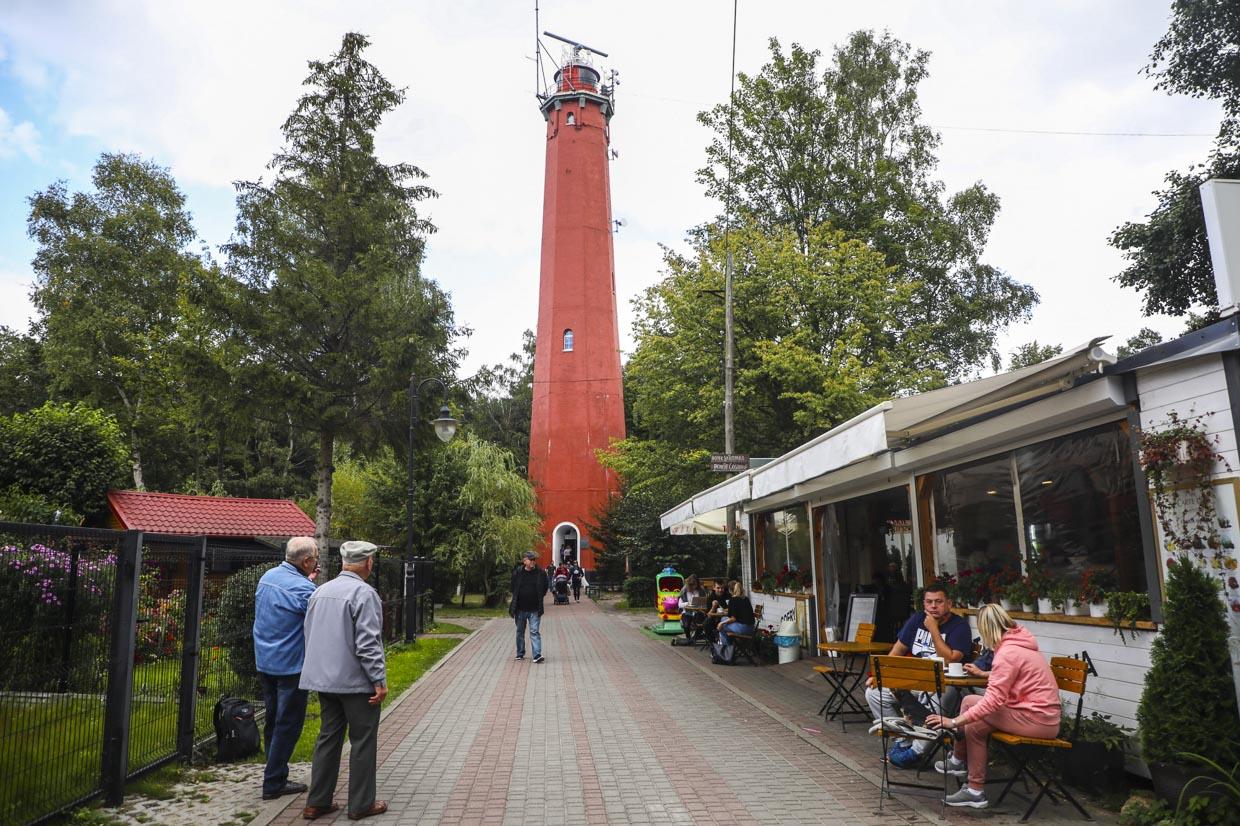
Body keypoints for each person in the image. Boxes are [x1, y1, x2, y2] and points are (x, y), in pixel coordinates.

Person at [927, 604, 1061, 810]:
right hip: (1039, 716)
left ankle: (966, 774)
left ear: (986, 629)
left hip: (1037, 720)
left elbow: (993, 702)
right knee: (971, 712)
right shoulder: (1019, 644)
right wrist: (985, 674)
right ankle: (970, 783)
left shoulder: (1007, 653)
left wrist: (953, 722)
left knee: (972, 713)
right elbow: (1015, 675)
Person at [300, 541, 389, 822]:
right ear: (368, 563)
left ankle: (317, 802)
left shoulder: (320, 592)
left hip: (324, 681)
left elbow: (309, 633)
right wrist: (379, 680)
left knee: (328, 738)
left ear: (343, 562)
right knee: (363, 740)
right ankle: (361, 803)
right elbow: (368, 644)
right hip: (355, 683)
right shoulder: (364, 593)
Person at [865, 582, 972, 769]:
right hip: (913, 682)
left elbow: (950, 661)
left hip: (944, 685)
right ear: (923, 604)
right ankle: (904, 740)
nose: (933, 606)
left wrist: (933, 629)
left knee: (941, 696)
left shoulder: (959, 627)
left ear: (949, 603)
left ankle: (916, 751)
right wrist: (881, 674)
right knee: (873, 693)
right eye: (929, 602)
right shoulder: (916, 620)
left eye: (938, 602)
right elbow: (898, 649)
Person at [252, 536, 318, 801]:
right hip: (290, 666)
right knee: (287, 724)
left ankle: (275, 772)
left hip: (265, 660)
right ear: (306, 561)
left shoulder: (268, 577)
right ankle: (273, 781)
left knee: (273, 720)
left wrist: (307, 582)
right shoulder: (303, 589)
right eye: (315, 557)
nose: (316, 561)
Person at [511, 551, 549, 663]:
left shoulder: (540, 573)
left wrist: (538, 596)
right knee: (520, 631)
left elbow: (545, 587)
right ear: (524, 561)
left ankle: (537, 655)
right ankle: (520, 653)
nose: (533, 562)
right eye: (531, 559)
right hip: (520, 608)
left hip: (535, 609)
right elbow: (513, 587)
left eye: (534, 560)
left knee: (534, 631)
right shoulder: (518, 572)